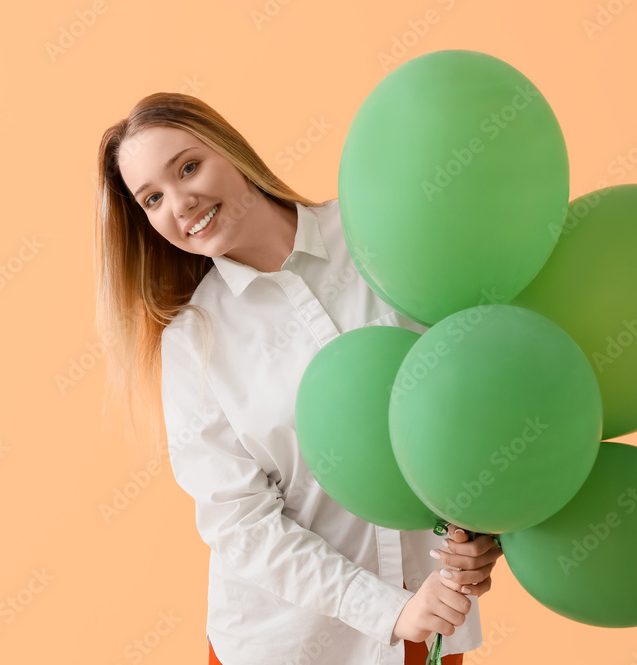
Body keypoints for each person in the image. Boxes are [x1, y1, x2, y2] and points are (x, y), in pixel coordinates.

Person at [94, 92, 504, 665]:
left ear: (231, 151)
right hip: (284, 647)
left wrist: (485, 533)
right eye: (153, 198)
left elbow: (473, 395)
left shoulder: (376, 237)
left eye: (188, 166)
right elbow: (239, 524)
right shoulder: (194, 338)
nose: (180, 203)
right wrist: (386, 610)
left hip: (427, 629)